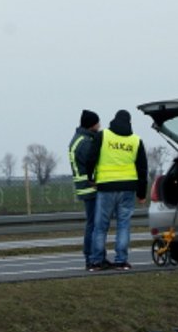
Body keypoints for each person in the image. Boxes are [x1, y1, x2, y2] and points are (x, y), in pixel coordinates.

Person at [85, 109, 147, 272]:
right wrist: (142, 194)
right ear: (130, 123)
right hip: (128, 189)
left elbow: (91, 157)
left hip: (105, 187)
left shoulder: (103, 135)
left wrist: (90, 177)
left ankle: (96, 261)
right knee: (123, 225)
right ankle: (121, 261)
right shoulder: (136, 141)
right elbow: (142, 169)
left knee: (100, 226)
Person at [68, 109, 100, 270]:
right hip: (90, 188)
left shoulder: (78, 139)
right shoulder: (86, 142)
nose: (99, 126)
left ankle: (93, 256)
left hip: (84, 188)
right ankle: (92, 258)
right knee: (94, 225)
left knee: (92, 224)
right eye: (97, 123)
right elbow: (92, 164)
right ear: (91, 124)